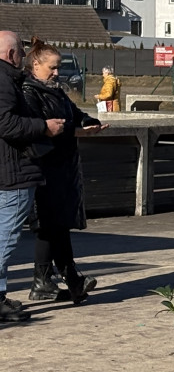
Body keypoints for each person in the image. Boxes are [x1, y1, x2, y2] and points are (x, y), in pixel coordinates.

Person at [22, 38, 108, 304]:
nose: (57, 73)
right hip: (45, 166)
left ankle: (47, 280)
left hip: (63, 168)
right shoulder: (28, 92)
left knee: (54, 225)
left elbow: (74, 113)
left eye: (58, 67)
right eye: (53, 67)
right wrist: (74, 130)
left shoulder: (55, 91)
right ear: (35, 65)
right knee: (51, 224)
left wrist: (89, 121)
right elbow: (39, 128)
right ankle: (70, 278)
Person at [0, 31, 64, 320]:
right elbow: (6, 124)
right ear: (11, 55)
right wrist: (43, 127)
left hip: (10, 170)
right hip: (12, 172)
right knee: (5, 239)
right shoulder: (5, 80)